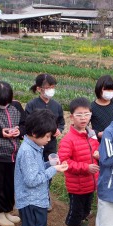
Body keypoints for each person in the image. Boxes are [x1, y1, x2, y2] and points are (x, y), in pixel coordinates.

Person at [10, 109, 68, 226]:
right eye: (48, 136)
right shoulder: (27, 151)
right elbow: (32, 180)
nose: (49, 139)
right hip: (30, 201)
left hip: (38, 200)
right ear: (35, 133)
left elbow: (35, 170)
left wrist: (48, 164)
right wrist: (53, 170)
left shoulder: (35, 147)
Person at [58, 97, 100, 226]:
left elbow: (96, 152)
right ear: (71, 117)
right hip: (77, 185)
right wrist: (85, 167)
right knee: (75, 213)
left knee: (86, 211)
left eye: (86, 114)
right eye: (79, 115)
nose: (83, 118)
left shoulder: (91, 135)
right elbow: (64, 161)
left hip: (91, 183)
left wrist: (99, 155)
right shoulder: (69, 140)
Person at [25, 73, 65, 211]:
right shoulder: (32, 105)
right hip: (36, 145)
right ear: (39, 89)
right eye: (48, 87)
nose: (50, 90)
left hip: (51, 144)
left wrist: (59, 129)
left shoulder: (57, 105)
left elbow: (61, 122)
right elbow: (27, 125)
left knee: (49, 167)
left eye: (53, 87)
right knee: (35, 169)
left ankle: (45, 195)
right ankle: (34, 196)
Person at [0, 81, 25, 226]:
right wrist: (0, 133)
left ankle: (8, 210)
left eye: (6, 102)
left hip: (14, 153)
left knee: (11, 184)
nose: (4, 105)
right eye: (0, 102)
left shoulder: (16, 106)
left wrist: (19, 131)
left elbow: (25, 123)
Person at [90, 75, 113, 141]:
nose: (110, 92)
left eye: (112, 89)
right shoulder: (92, 106)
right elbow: (85, 126)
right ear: (99, 89)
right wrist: (98, 133)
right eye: (107, 89)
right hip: (97, 141)